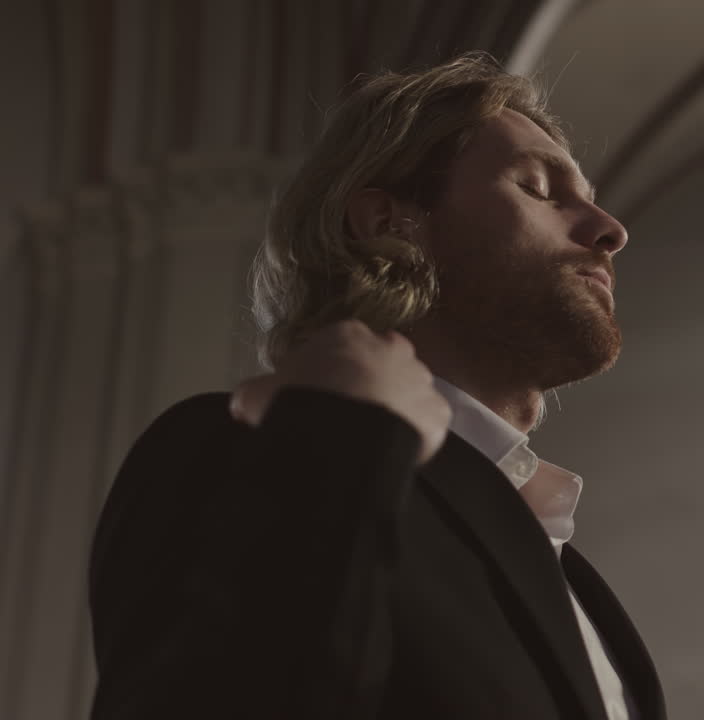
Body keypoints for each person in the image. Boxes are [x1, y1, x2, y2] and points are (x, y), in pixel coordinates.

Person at [88, 53, 664, 720]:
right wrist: (348, 437)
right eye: (537, 188)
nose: (610, 230)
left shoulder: (573, 579)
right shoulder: (244, 447)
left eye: (590, 198)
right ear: (393, 225)